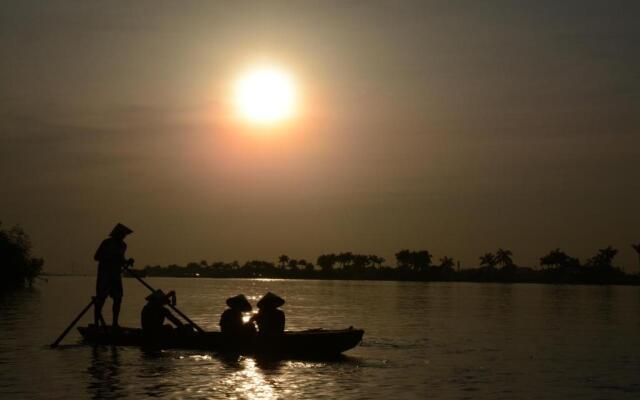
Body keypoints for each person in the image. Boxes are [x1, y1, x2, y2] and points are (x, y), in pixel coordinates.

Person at [93, 223, 134, 328]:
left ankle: (115, 323)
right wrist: (110, 258)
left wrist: (127, 262)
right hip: (104, 275)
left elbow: (121, 260)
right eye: (123, 234)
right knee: (101, 298)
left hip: (116, 276)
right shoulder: (106, 243)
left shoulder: (123, 245)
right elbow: (96, 257)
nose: (124, 236)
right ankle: (96, 323)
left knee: (118, 299)